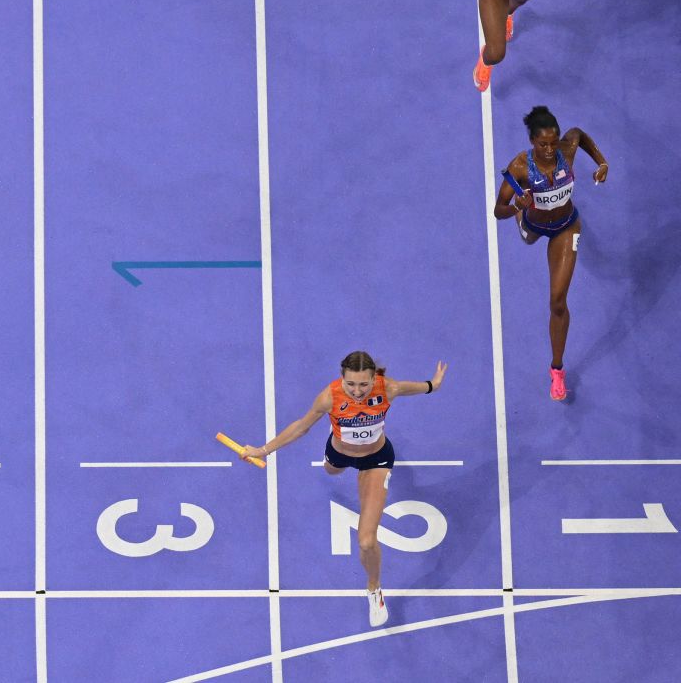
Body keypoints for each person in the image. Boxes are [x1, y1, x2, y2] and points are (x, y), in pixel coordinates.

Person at [239, 352, 448, 627]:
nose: (358, 391)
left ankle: (374, 589)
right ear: (342, 378)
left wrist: (433, 384)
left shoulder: (388, 388)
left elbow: (416, 388)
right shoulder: (330, 397)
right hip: (339, 454)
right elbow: (301, 428)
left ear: (375, 378)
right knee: (332, 471)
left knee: (366, 540)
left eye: (364, 384)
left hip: (376, 459)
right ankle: (335, 457)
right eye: (351, 384)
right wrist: (263, 450)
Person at [494, 106, 608, 400]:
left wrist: (602, 162)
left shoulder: (565, 151)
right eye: (542, 144)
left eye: (553, 142)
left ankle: (557, 370)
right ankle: (524, 225)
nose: (548, 149)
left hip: (566, 227)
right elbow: (498, 211)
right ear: (532, 142)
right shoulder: (519, 167)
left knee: (557, 301)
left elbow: (579, 134)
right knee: (528, 237)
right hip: (533, 223)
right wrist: (518, 207)